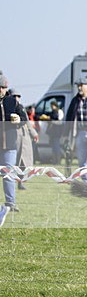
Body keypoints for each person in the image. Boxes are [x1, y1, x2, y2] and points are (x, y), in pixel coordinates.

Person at [1, 77, 28, 214]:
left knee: (9, 175)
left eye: (3, 87)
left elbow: (24, 118)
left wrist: (19, 119)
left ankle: (10, 203)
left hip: (10, 146)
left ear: (6, 89)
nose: (1, 90)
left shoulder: (13, 102)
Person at [45, 100, 65, 164]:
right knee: (54, 147)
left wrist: (51, 119)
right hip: (53, 132)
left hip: (57, 132)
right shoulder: (53, 112)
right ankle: (54, 160)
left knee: (56, 147)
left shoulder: (59, 112)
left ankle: (58, 160)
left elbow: (59, 120)